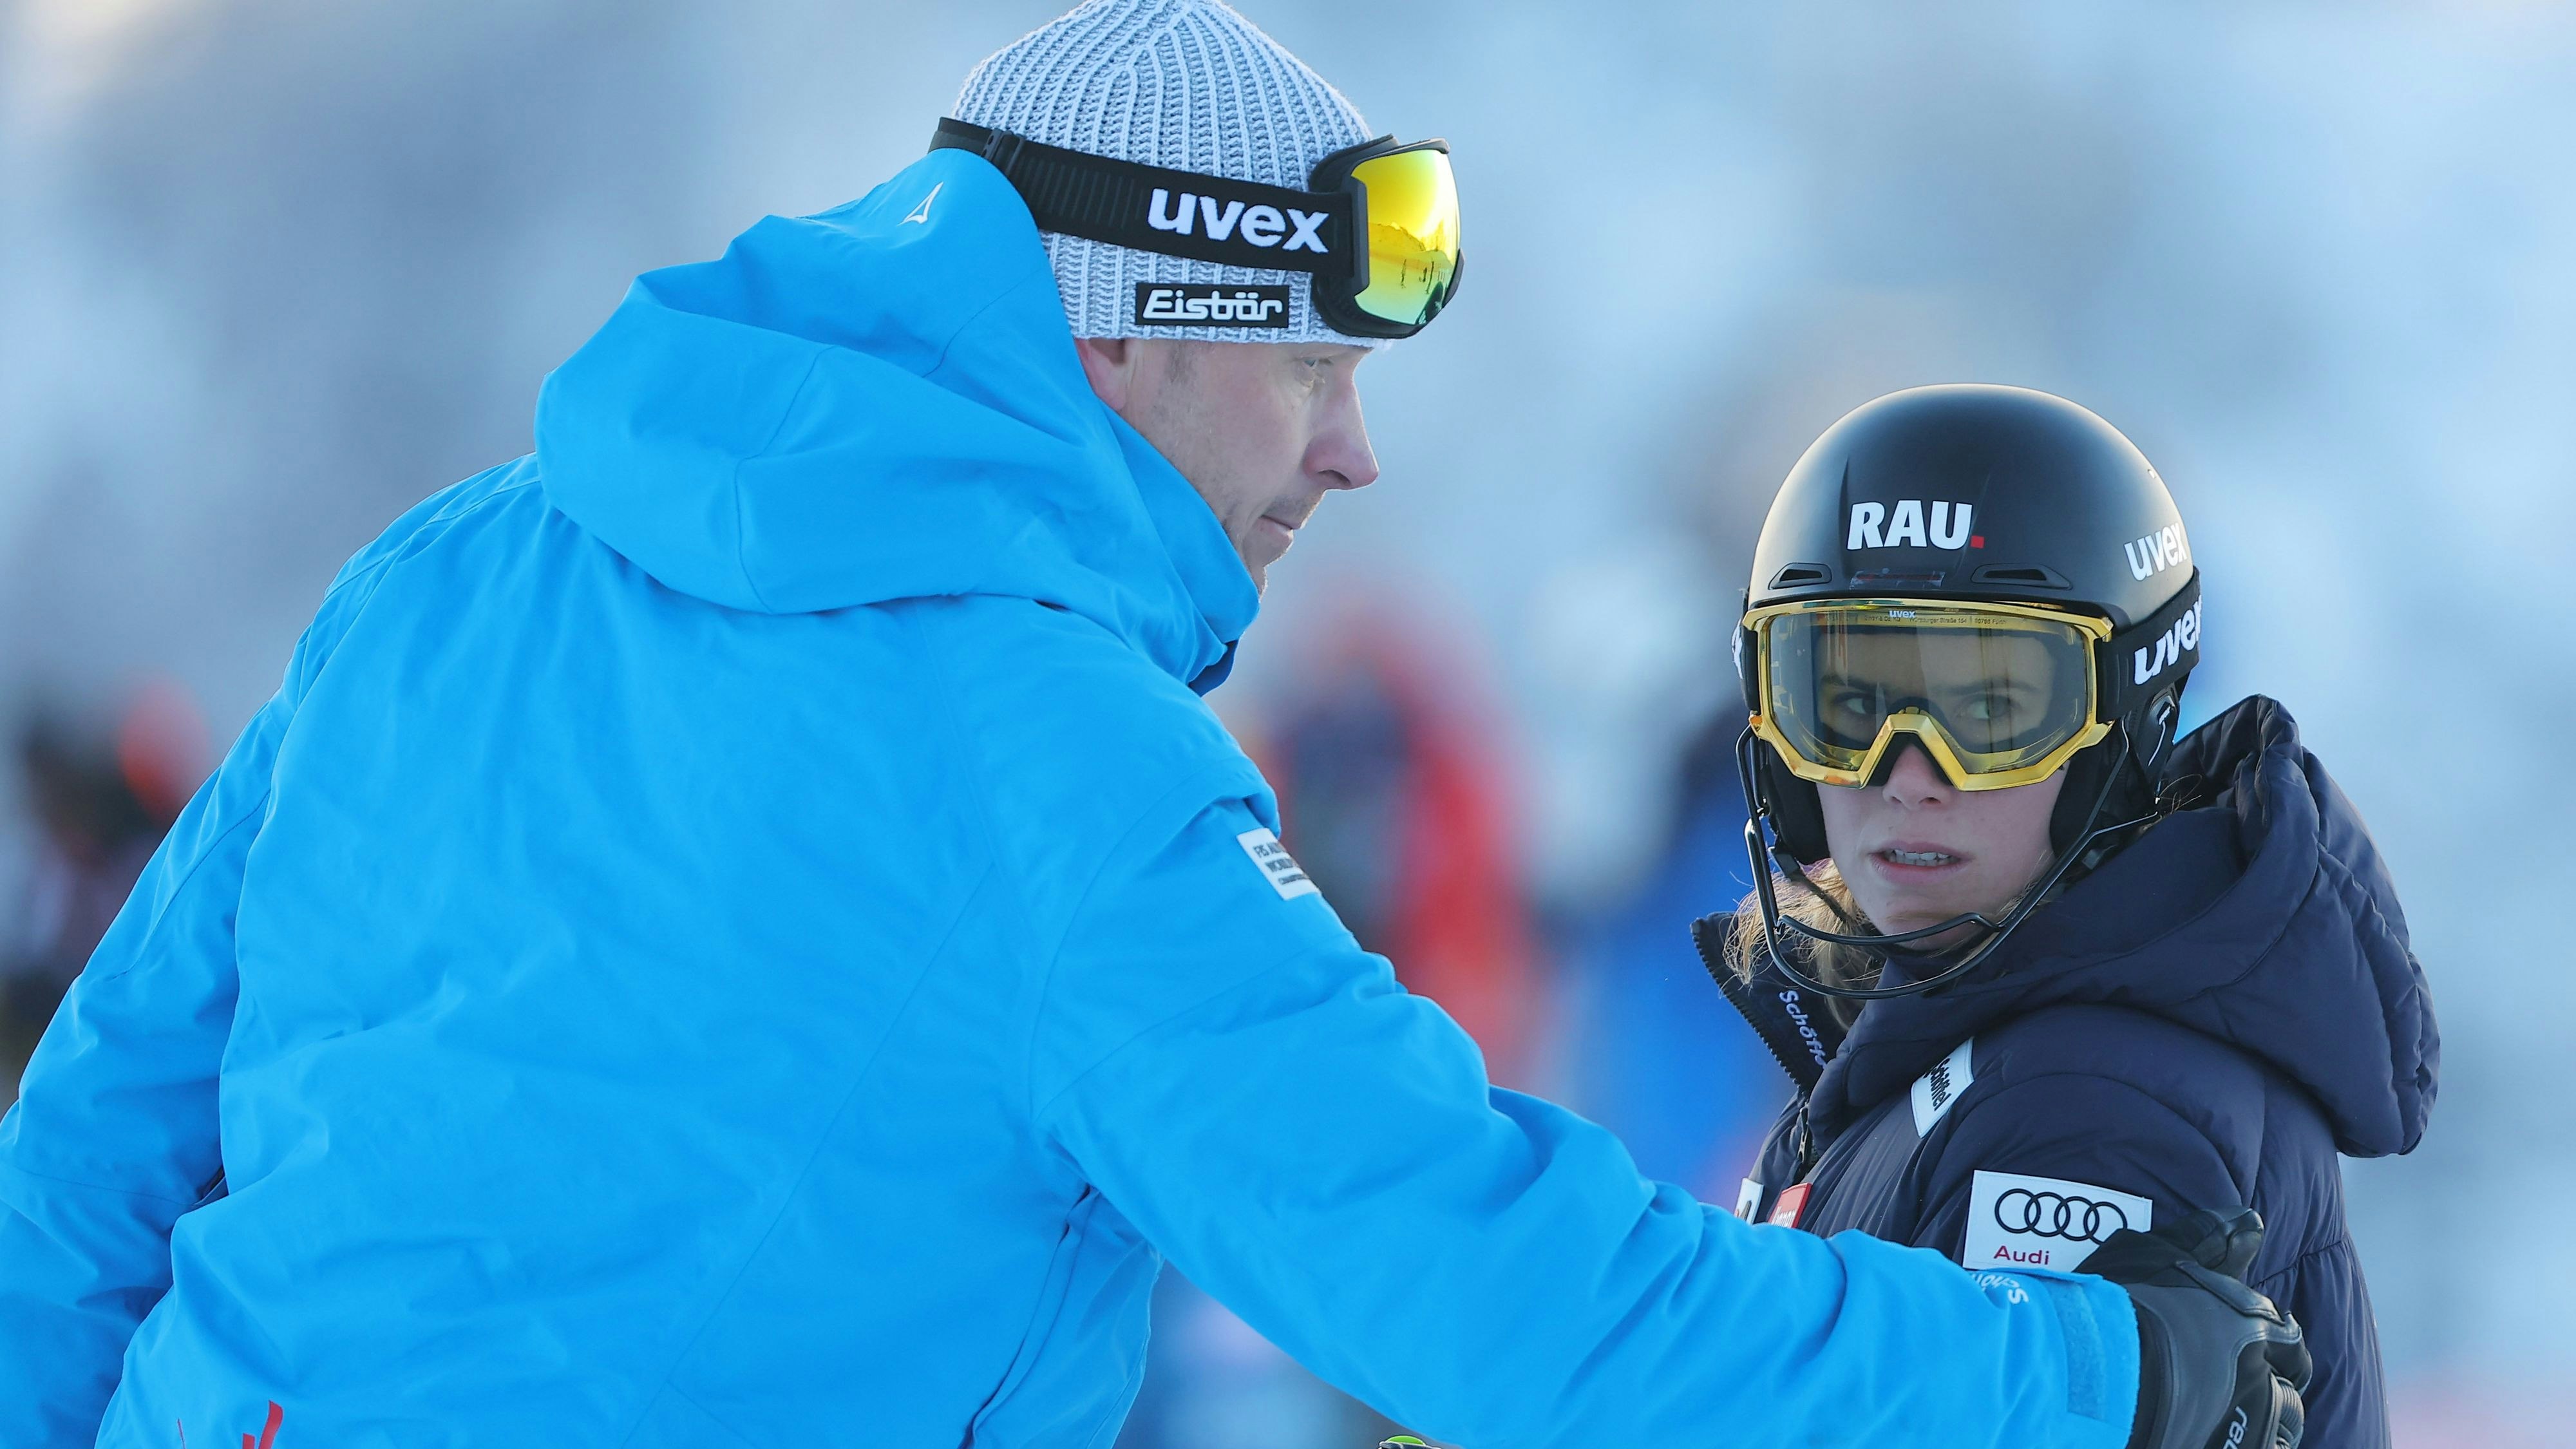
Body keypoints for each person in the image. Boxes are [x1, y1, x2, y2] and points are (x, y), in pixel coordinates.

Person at [0, 4, 2298, 1446]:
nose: (1352, 451)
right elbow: (1507, 1309)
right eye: (1316, 365)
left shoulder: (448, 572)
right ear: (1128, 341)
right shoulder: (1053, 773)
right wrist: (2090, 1378)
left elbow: (89, 1153)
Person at [1702, 384, 2434, 1449]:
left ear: (2120, 727)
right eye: (1850, 705)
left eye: (1992, 714)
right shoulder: (1961, 1036)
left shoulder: (2086, 1106)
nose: (1908, 775)